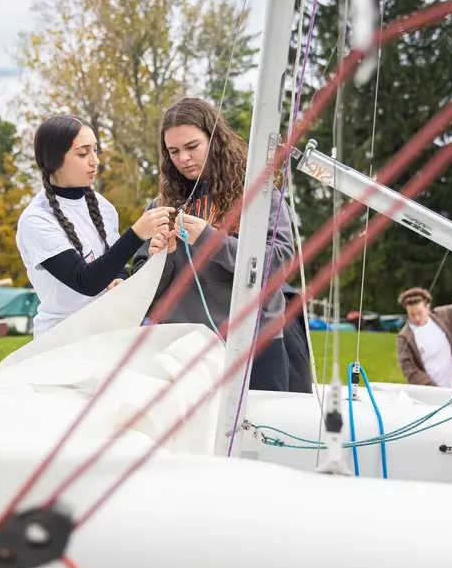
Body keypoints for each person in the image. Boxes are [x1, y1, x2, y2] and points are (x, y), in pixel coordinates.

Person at [128, 97, 298, 393]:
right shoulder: (160, 206)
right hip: (184, 351)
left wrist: (211, 240)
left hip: (254, 345)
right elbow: (145, 292)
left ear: (215, 140)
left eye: (192, 147)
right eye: (174, 151)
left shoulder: (259, 194)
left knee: (261, 434)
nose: (183, 159)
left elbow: (280, 263)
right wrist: (160, 259)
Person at [16, 115, 174, 337]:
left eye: (95, 150)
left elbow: (111, 264)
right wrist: (136, 235)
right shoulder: (37, 220)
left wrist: (121, 278)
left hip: (106, 333)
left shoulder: (104, 207)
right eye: (83, 153)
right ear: (54, 160)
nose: (95, 160)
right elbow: (85, 281)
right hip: (61, 340)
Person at [395, 287, 452, 387]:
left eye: (420, 313)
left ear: (427, 308)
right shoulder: (404, 338)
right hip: (432, 393)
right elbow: (409, 371)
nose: (417, 318)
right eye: (412, 315)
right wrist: (434, 388)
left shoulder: (444, 315)